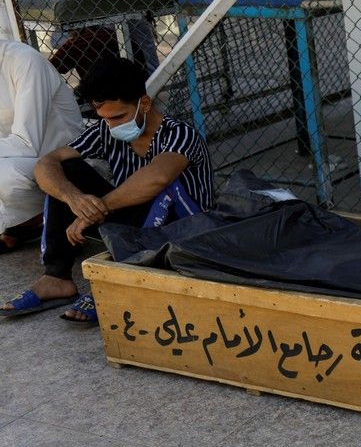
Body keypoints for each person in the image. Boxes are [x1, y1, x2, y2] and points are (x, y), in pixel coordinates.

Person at [0, 57, 214, 323]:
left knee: (164, 188)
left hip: (186, 232)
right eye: (104, 118)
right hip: (136, 225)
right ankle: (56, 277)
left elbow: (157, 178)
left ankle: (117, 280)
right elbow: (46, 164)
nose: (112, 125)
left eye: (119, 117)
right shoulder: (106, 130)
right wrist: (74, 199)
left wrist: (95, 211)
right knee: (67, 171)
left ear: (145, 104)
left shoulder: (180, 134)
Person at [0, 39, 84, 253]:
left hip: (65, 164)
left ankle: (36, 220)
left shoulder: (24, 61)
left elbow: (25, 144)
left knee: (4, 174)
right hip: (22, 161)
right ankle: (22, 222)